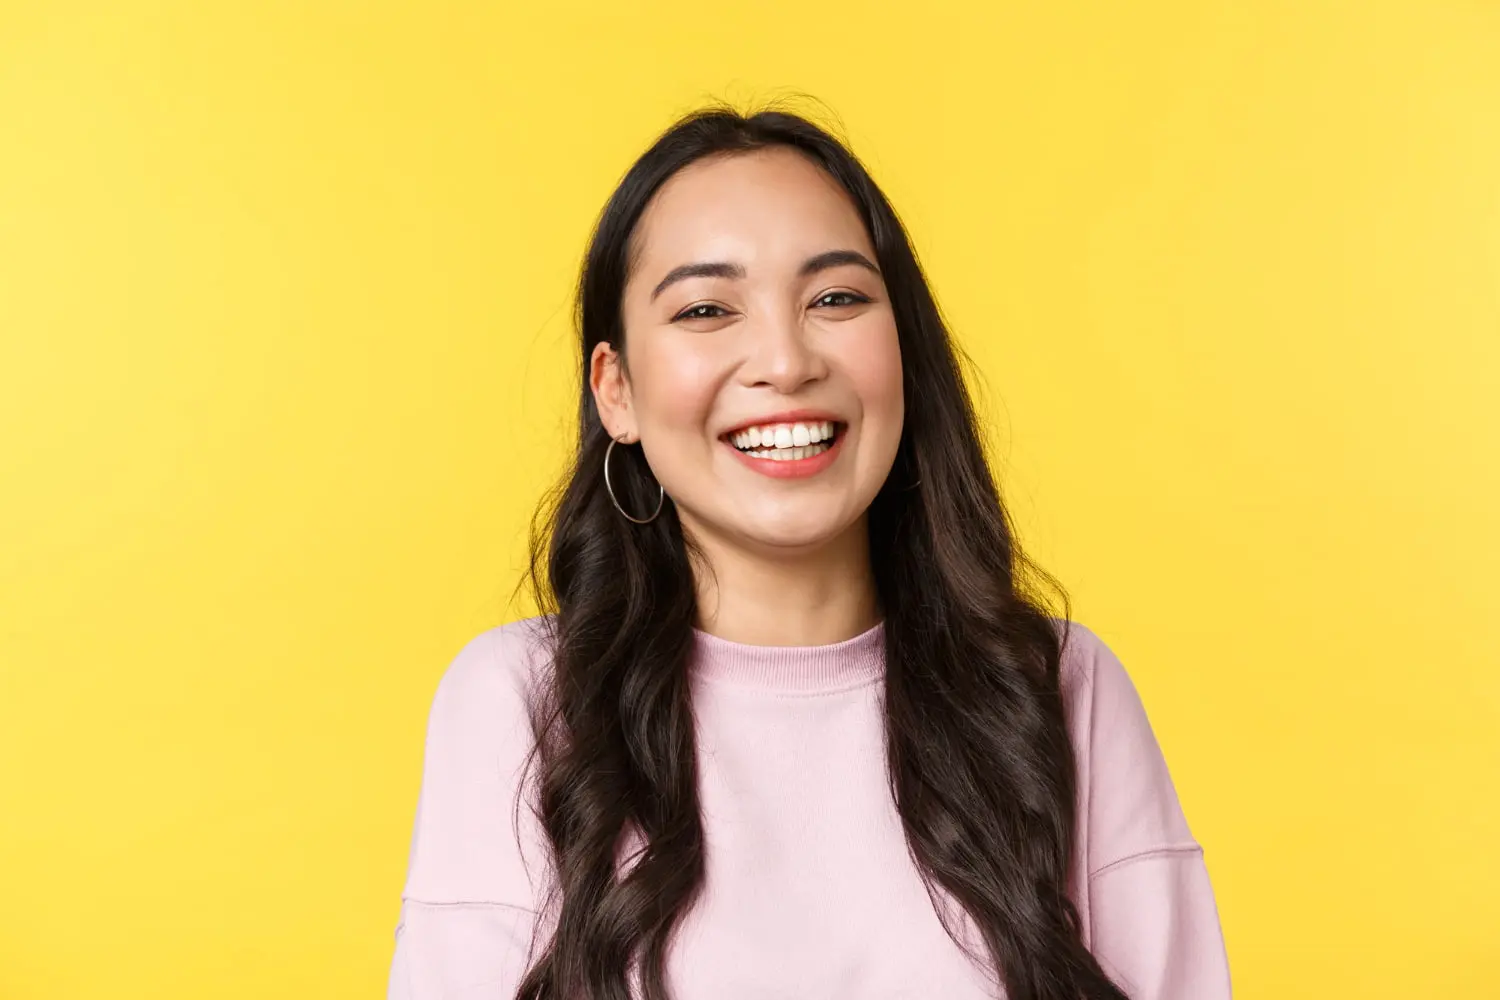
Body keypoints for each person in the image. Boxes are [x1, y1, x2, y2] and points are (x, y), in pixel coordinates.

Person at [386, 105, 1231, 1000]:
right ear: (618, 391)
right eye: (707, 308)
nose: (785, 362)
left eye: (835, 299)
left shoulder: (1062, 689)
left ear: (902, 352)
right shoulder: (522, 703)